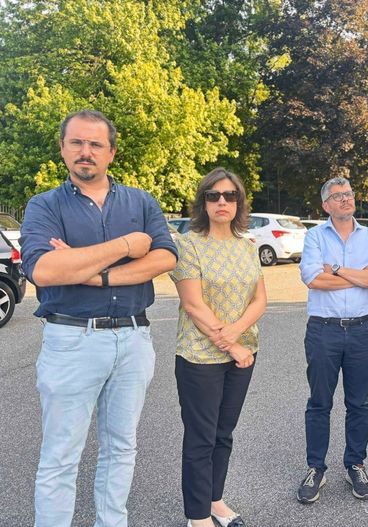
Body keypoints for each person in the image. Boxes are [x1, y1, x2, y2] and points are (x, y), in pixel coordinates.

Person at [19, 109, 178, 527]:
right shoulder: (44, 205)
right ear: (62, 148)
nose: (85, 151)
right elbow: (44, 270)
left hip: (133, 339)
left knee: (121, 448)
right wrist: (127, 245)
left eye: (95, 144)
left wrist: (89, 270)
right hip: (72, 341)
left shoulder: (141, 201)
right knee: (60, 456)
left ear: (111, 152)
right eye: (76, 142)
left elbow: (164, 257)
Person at [170, 168, 267, 527]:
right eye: (213, 195)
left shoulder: (248, 246)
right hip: (199, 357)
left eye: (229, 195)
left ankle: (215, 500)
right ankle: (197, 518)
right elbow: (193, 304)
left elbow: (260, 300)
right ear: (203, 202)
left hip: (242, 354)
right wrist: (232, 345)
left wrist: (238, 339)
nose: (222, 201)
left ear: (239, 202)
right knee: (201, 438)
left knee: (223, 434)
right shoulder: (188, 245)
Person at [296, 176, 368, 504]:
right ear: (326, 205)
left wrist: (335, 268)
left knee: (359, 403)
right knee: (319, 402)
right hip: (324, 330)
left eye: (348, 193)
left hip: (363, 331)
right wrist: (359, 276)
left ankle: (355, 464)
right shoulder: (314, 236)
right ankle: (315, 468)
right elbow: (313, 279)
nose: (345, 199)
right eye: (337, 196)